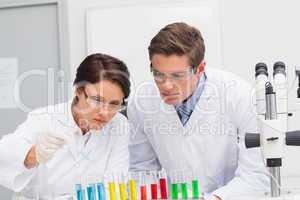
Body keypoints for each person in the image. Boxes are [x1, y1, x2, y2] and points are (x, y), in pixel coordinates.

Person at [128, 22, 269, 200]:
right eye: (158, 74)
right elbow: (141, 170)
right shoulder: (141, 103)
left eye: (177, 75)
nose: (166, 85)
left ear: (200, 68)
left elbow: (256, 176)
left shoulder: (240, 96)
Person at [0, 53, 131, 198]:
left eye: (114, 104)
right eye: (97, 101)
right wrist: (33, 154)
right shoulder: (44, 119)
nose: (105, 113)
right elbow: (5, 153)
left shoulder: (118, 124)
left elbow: (115, 186)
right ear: (78, 91)